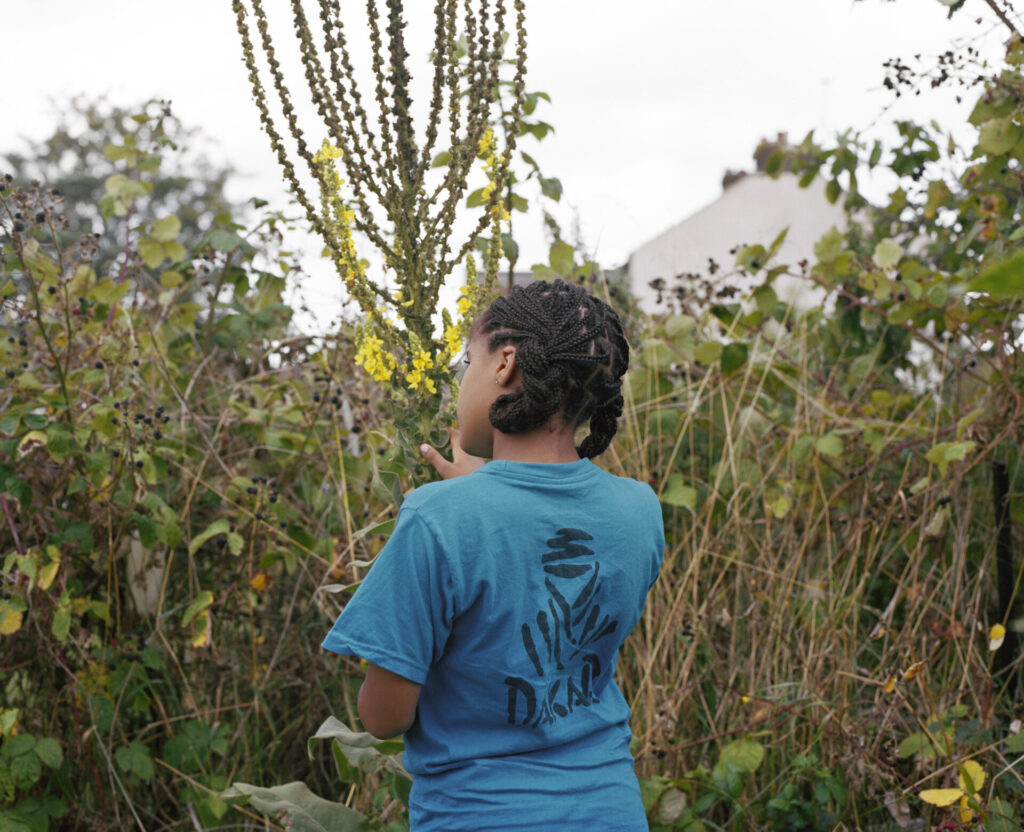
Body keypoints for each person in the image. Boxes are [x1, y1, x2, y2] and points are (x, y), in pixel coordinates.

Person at [322, 278, 665, 831]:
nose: (461, 379)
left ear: (505, 363)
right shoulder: (639, 509)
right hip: (611, 811)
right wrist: (482, 490)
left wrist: (466, 499)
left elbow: (384, 717)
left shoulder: (436, 518)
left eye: (466, 361)